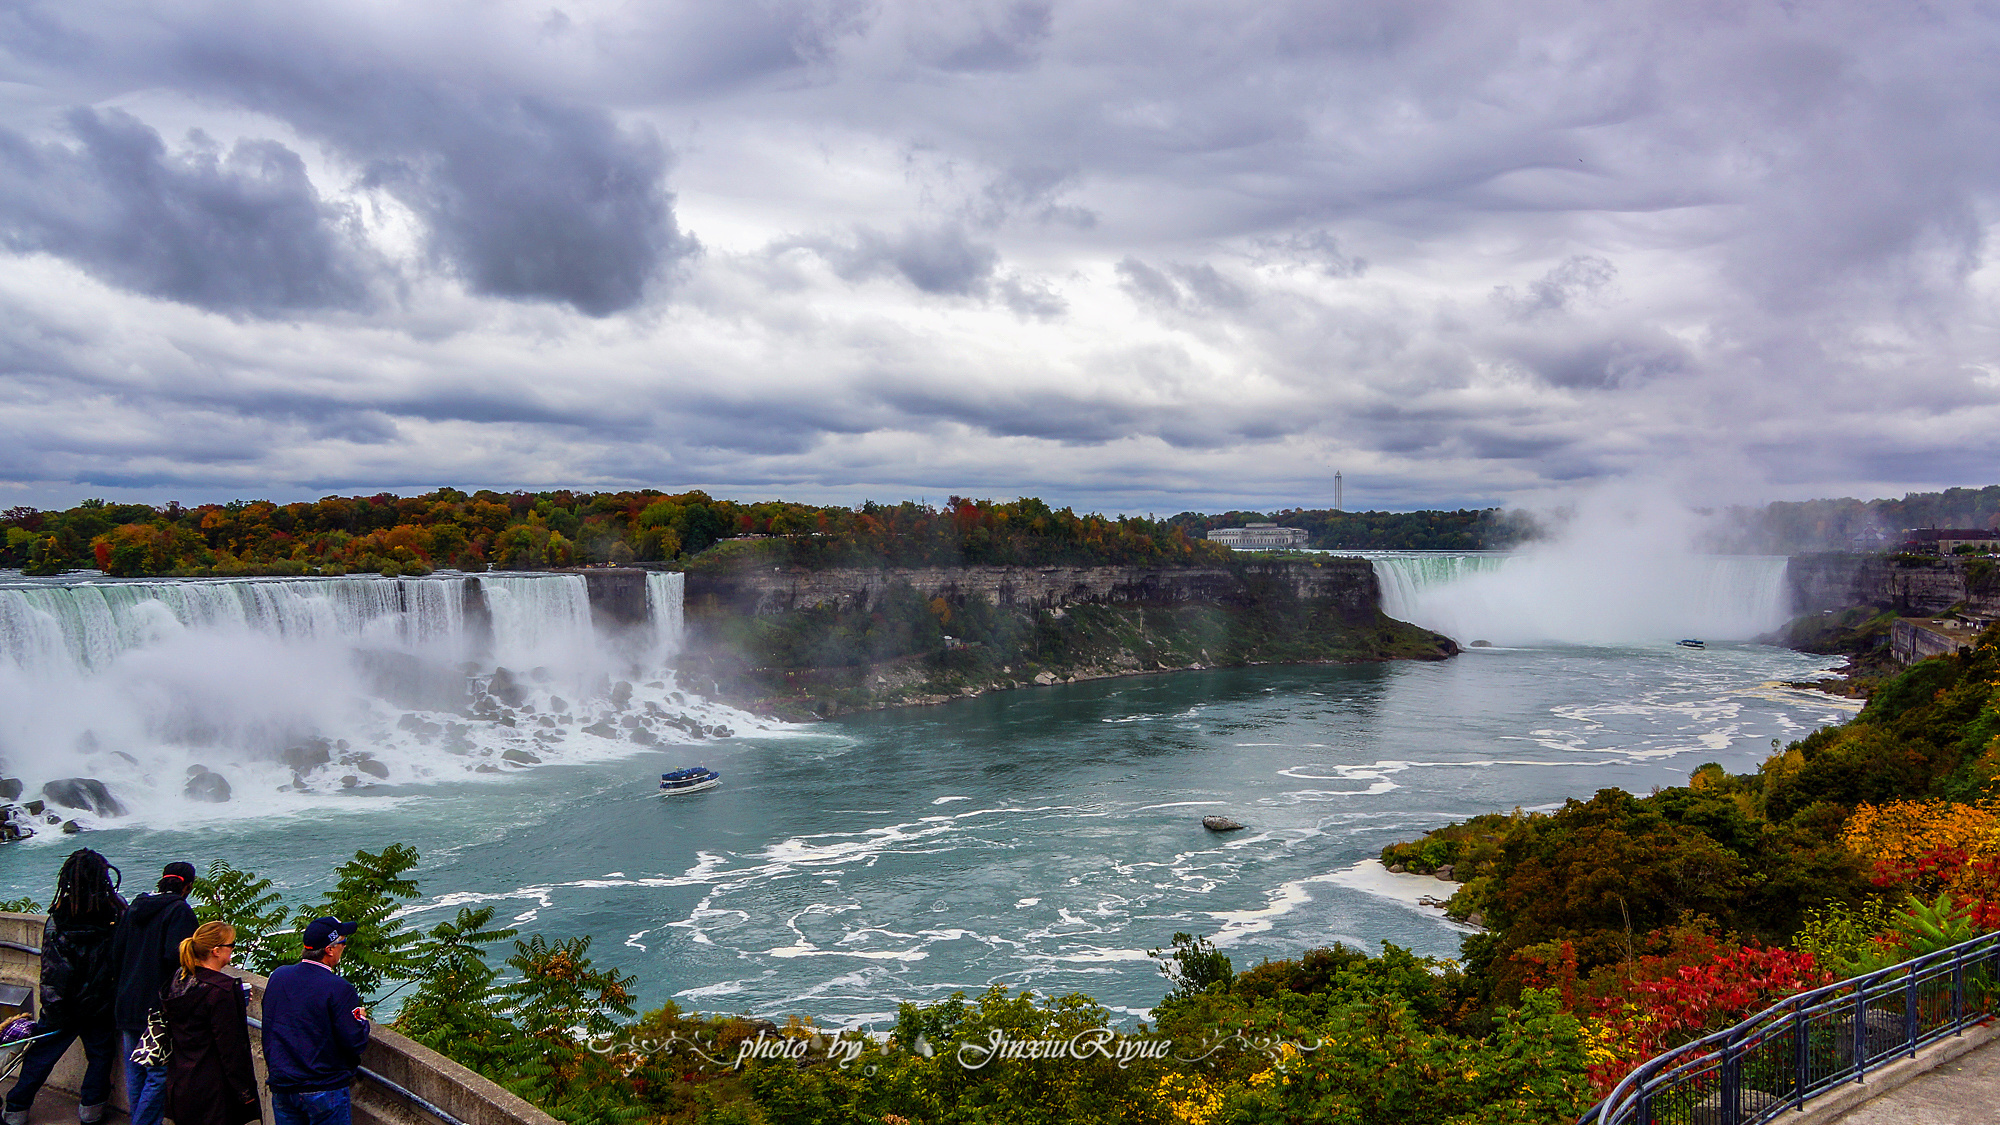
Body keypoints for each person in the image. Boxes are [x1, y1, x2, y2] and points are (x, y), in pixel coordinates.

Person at [2, 849, 127, 1125]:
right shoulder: (115, 913)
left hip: (63, 1007)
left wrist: (55, 1007)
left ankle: (15, 1112)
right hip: (100, 1005)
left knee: (39, 1059)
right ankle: (91, 1112)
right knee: (101, 1057)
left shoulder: (60, 916)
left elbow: (53, 970)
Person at [110, 861, 199, 1125]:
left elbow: (116, 952)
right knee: (158, 1074)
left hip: (126, 1001)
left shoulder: (135, 908)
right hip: (155, 1006)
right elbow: (177, 956)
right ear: (188, 886)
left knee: (135, 1070)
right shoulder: (179, 911)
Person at [261, 918, 369, 1125]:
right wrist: (362, 1021)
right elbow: (354, 1042)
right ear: (329, 949)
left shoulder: (279, 976)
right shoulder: (339, 988)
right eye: (343, 942)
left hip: (283, 1085)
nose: (344, 947)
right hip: (324, 1087)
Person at [160, 922, 259, 1125]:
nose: (232, 950)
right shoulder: (221, 991)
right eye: (231, 946)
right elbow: (231, 1050)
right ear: (216, 951)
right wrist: (246, 1094)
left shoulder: (177, 980)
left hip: (181, 1083)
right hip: (215, 1092)